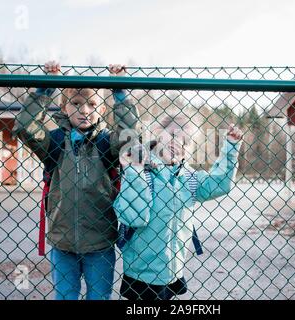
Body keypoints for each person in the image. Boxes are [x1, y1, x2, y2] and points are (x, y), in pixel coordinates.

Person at [12, 61, 141, 300]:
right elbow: (26, 127)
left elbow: (130, 133)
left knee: (99, 296)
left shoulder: (107, 143)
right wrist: (46, 87)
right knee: (65, 296)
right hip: (63, 243)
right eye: (76, 104)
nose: (84, 110)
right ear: (63, 107)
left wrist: (119, 89)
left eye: (92, 104)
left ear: (102, 109)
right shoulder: (54, 142)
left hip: (100, 243)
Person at [113, 113, 243, 300]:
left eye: (186, 142)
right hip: (142, 273)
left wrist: (230, 147)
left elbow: (219, 183)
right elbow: (134, 217)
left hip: (173, 270)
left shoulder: (188, 178)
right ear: (158, 133)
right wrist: (135, 171)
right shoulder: (140, 169)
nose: (178, 144)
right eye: (173, 135)